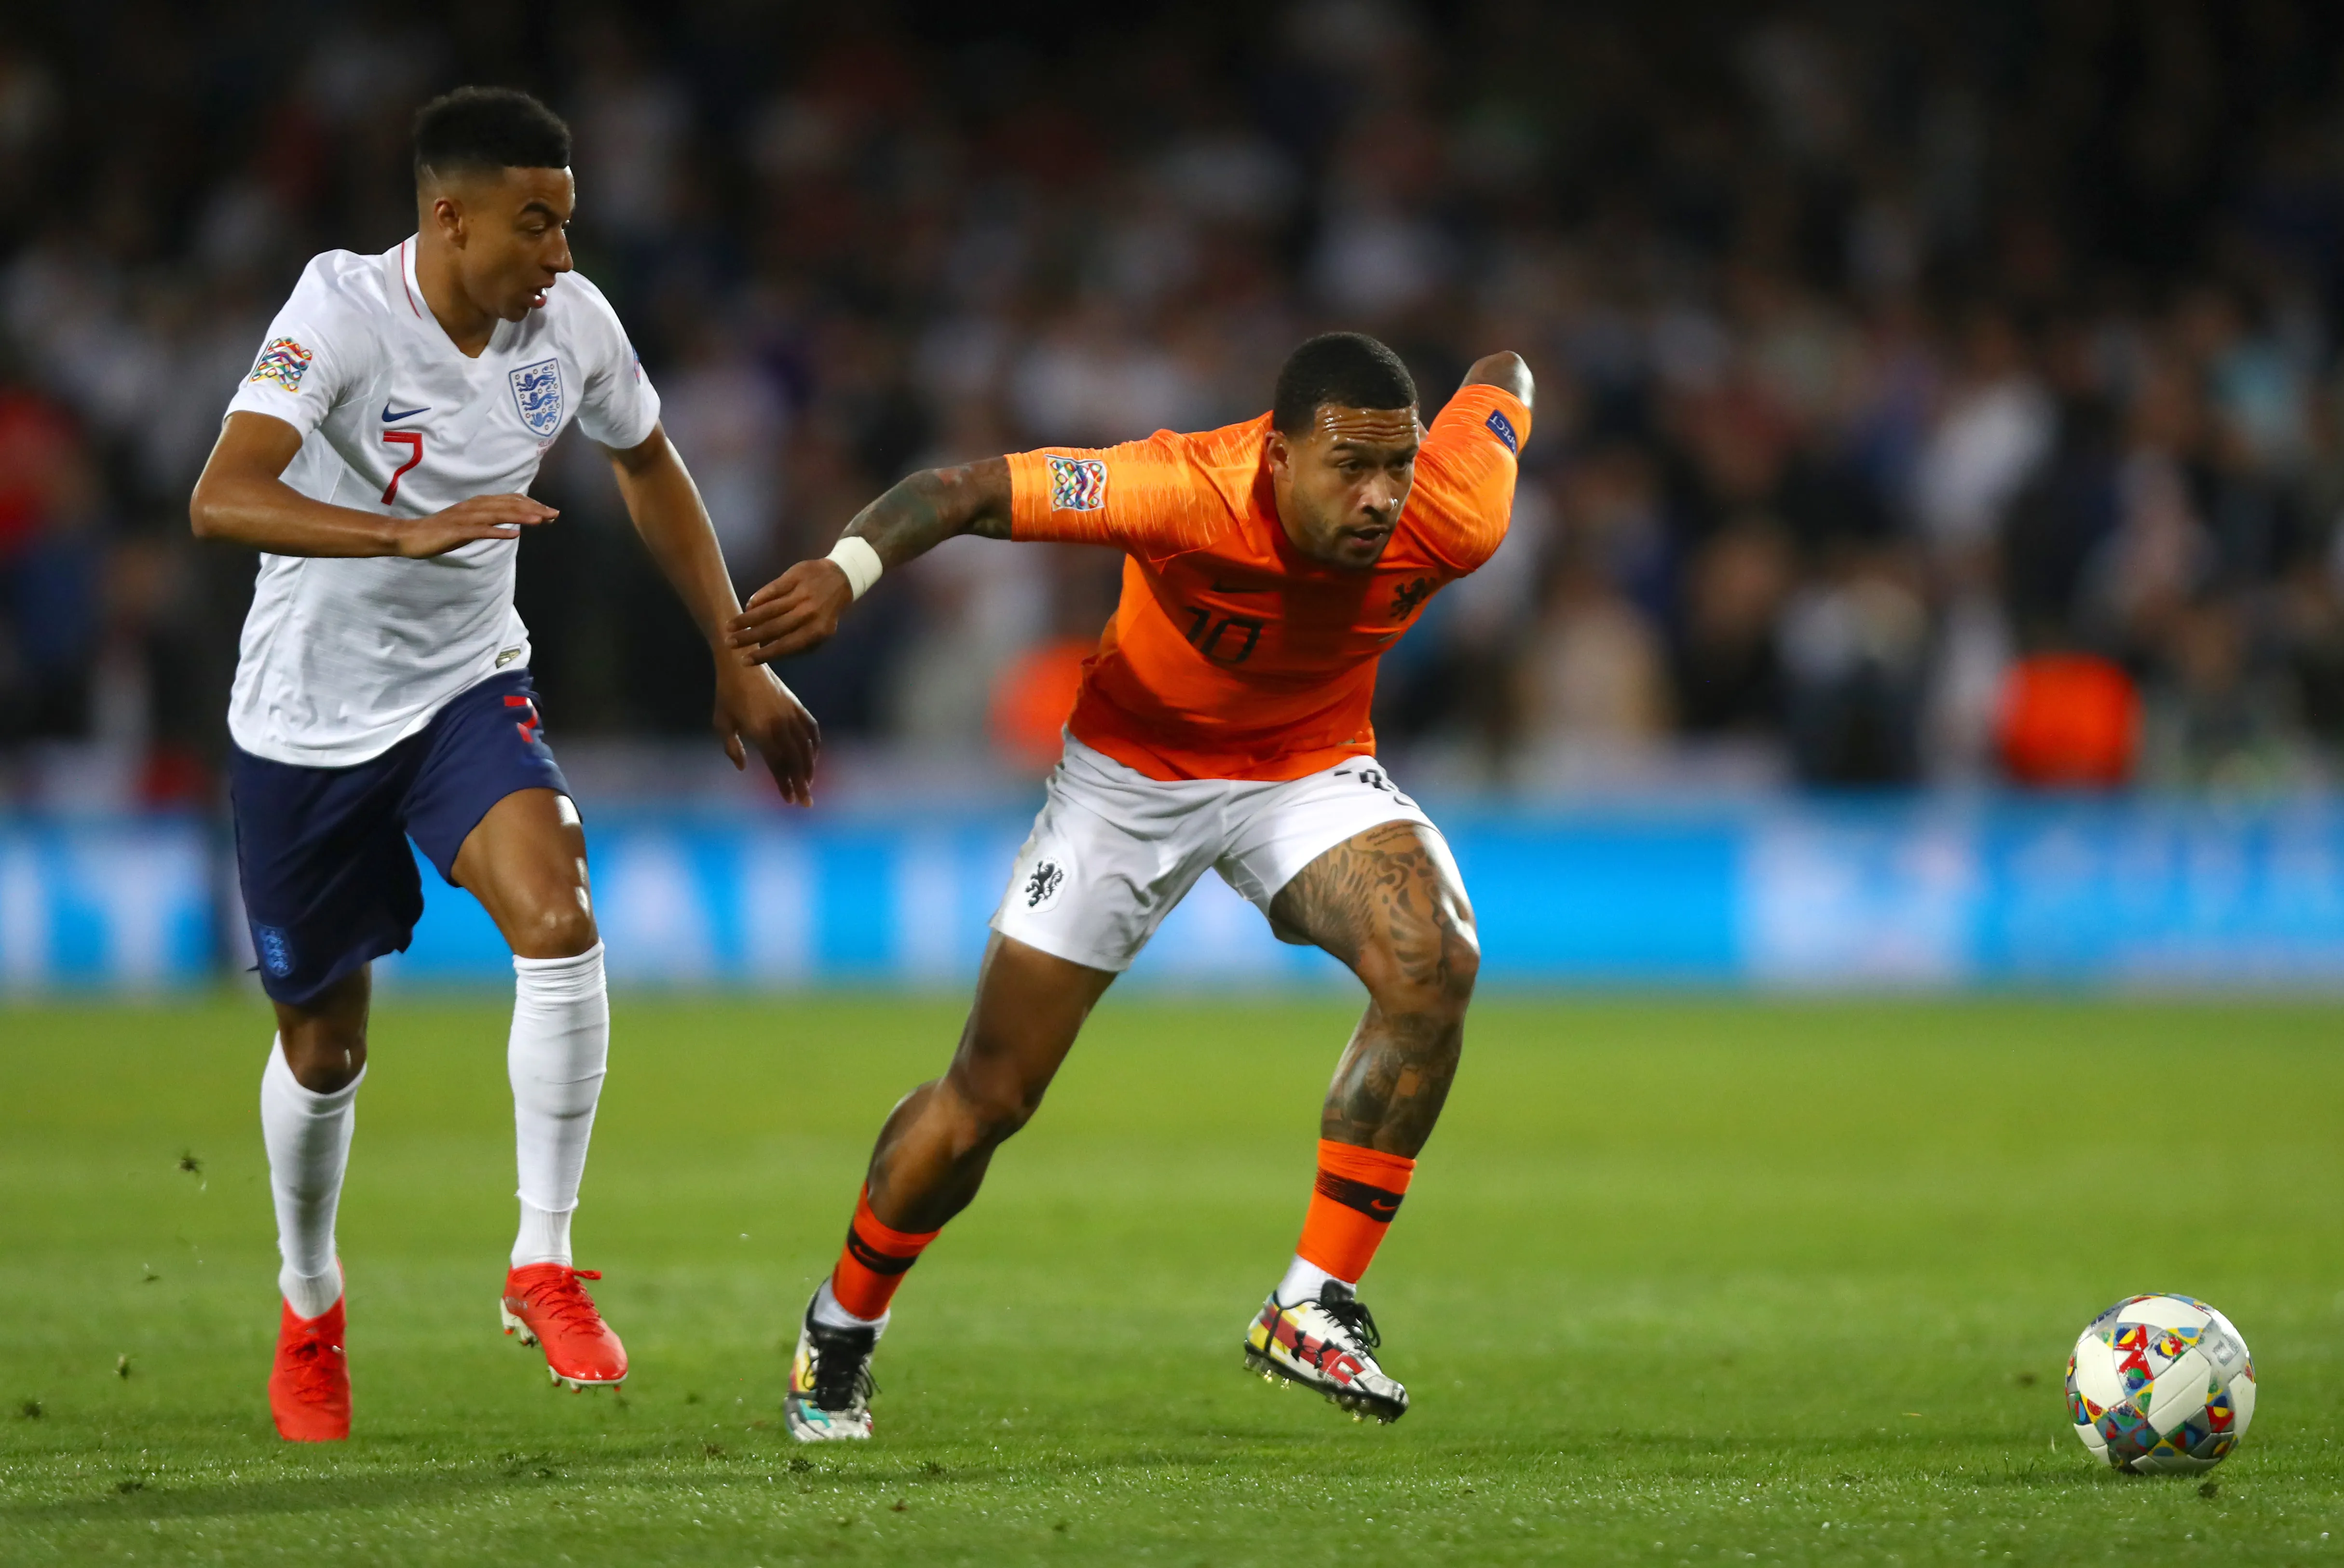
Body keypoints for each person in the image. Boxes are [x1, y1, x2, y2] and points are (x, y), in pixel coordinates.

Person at [730, 331, 1531, 1440]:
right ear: (1278, 453)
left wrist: (1495, 381)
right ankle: (843, 1323)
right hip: (1128, 786)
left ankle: (1310, 1301)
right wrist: (845, 571)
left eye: (1396, 466)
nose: (1383, 497)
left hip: (1305, 771)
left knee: (1434, 953)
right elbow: (960, 491)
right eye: (1350, 468)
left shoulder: (1455, 513)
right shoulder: (1181, 488)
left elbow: (1503, 381)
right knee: (988, 1101)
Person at [188, 87, 819, 1442]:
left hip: (469, 687)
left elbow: (648, 462)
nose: (560, 254)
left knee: (560, 910)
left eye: (568, 222)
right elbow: (222, 493)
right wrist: (398, 537)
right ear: (448, 215)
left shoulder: (569, 328)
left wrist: (734, 650)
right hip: (305, 719)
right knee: (325, 1045)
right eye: (535, 225)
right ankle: (311, 1304)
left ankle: (541, 1259)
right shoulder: (342, 312)